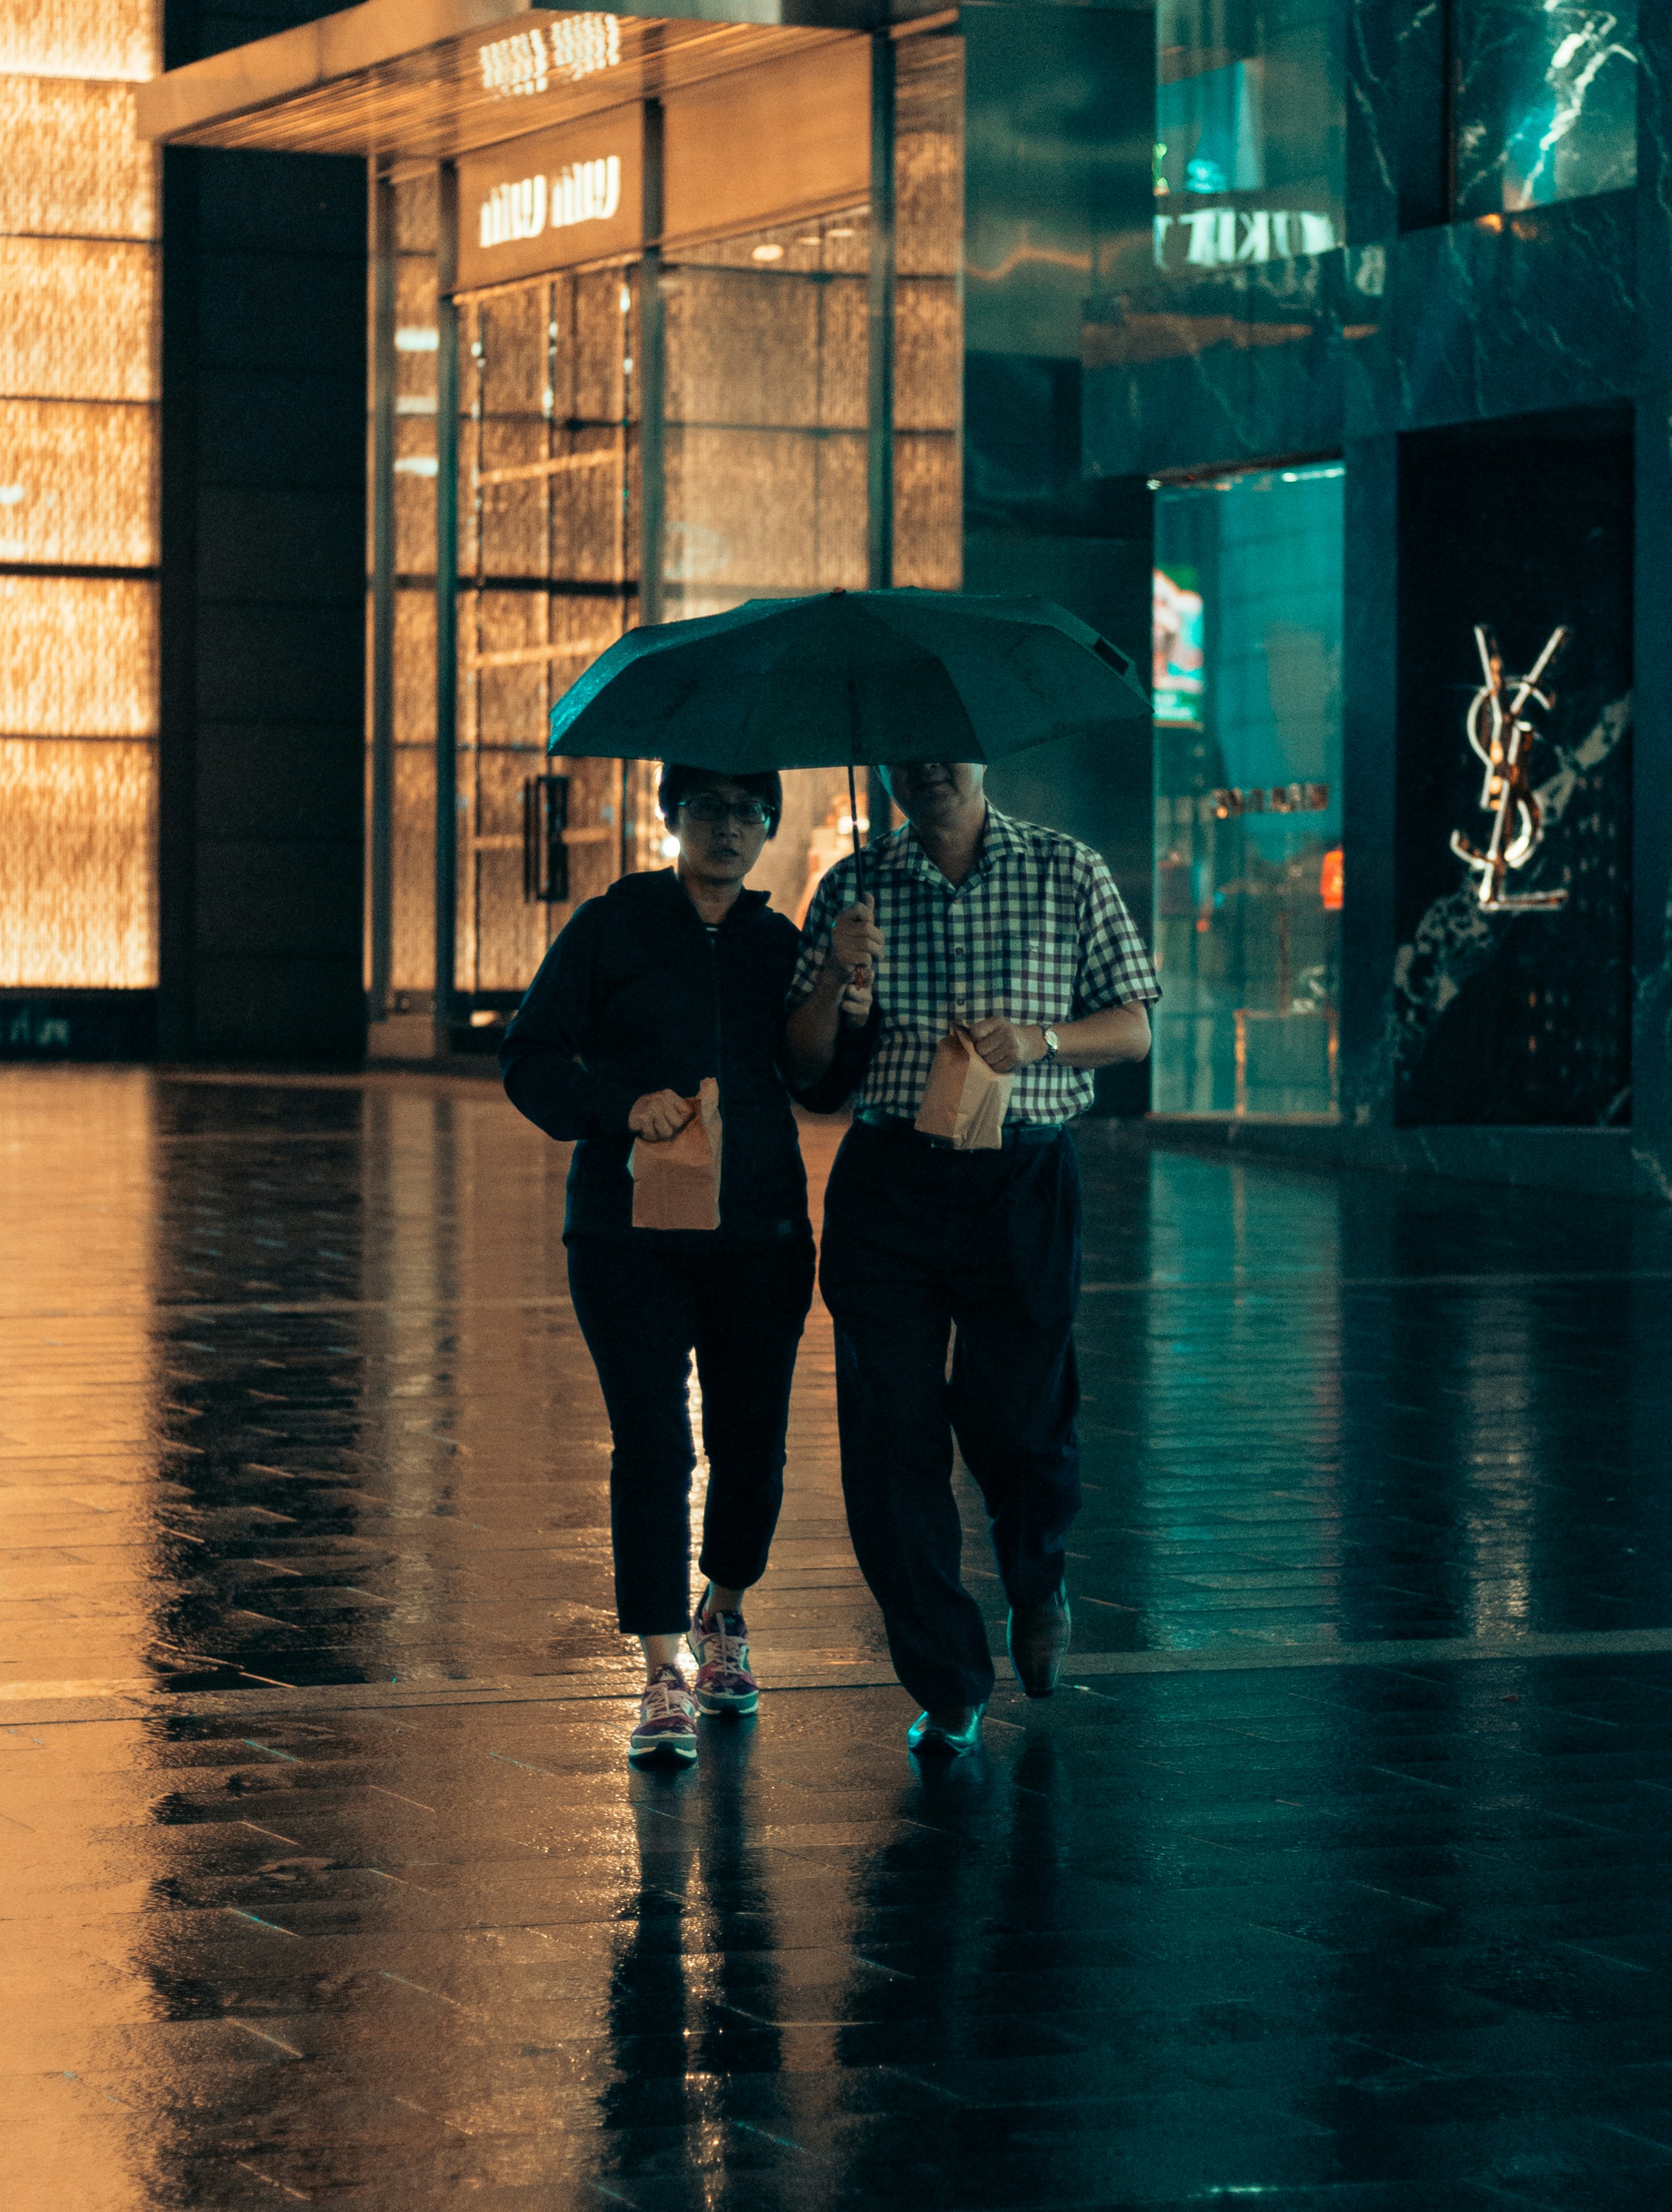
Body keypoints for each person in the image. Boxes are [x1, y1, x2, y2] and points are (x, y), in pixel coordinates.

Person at [501, 767, 875, 1764]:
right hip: (626, 1233)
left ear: (768, 827)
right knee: (654, 1444)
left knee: (752, 1441)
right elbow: (529, 1055)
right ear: (671, 818)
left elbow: (820, 1088)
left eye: (750, 811)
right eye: (707, 808)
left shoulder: (779, 943)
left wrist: (845, 996)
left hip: (759, 1234)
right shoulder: (610, 926)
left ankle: (725, 1609)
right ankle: (661, 1665)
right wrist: (618, 1105)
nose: (729, 828)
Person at [785, 760, 1158, 1755]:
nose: (927, 766)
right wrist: (835, 979)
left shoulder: (1066, 869)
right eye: (907, 749)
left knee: (1018, 1418)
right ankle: (946, 1677)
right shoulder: (853, 886)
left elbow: (1132, 1027)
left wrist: (1041, 1040)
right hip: (889, 1181)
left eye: (947, 745)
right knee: (889, 1437)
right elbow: (806, 1067)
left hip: (1019, 1178)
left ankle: (1036, 1578)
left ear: (983, 754)